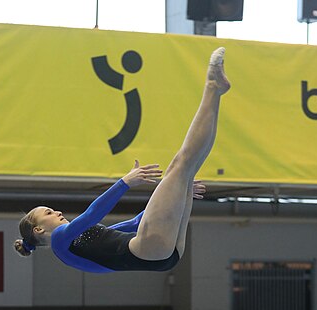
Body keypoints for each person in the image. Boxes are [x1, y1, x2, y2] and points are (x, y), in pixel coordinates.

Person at [14, 47, 230, 273]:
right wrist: (124, 183)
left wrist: (177, 192)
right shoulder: (59, 240)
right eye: (48, 213)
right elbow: (91, 215)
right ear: (39, 230)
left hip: (161, 254)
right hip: (148, 248)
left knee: (186, 168)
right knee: (181, 164)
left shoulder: (77, 248)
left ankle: (215, 91)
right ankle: (212, 87)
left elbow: (134, 224)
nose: (57, 212)